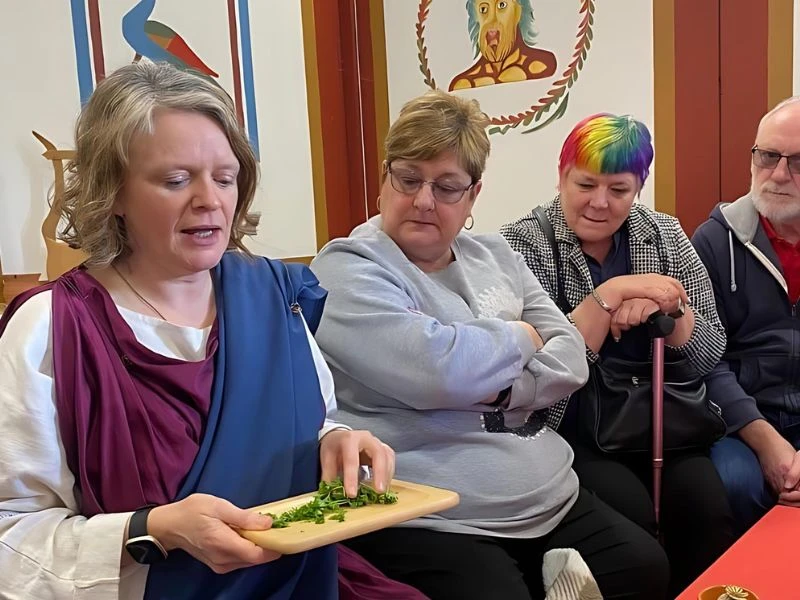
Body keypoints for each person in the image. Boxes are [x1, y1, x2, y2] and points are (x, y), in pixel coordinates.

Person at [0, 61, 402, 600]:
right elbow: (12, 540)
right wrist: (152, 531)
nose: (210, 200)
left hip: (306, 582)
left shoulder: (274, 297)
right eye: (175, 180)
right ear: (112, 191)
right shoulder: (51, 329)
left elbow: (311, 421)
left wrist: (335, 443)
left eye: (225, 177)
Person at [310, 90, 670, 600]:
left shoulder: (496, 254)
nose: (423, 200)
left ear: (473, 196)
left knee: (644, 568)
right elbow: (438, 371)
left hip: (546, 492)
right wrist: (521, 335)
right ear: (384, 180)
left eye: (448, 187)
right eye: (408, 178)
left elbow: (570, 357)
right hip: (428, 512)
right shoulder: (345, 267)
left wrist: (495, 387)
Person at [501, 113, 736, 594]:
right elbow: (533, 368)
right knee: (627, 513)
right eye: (585, 184)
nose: (600, 203)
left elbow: (710, 351)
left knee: (708, 507)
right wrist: (609, 296)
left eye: (620, 189)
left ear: (639, 187)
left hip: (664, 424)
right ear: (561, 174)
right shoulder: (521, 245)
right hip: (571, 430)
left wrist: (669, 313)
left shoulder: (666, 235)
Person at [692, 96, 800, 534]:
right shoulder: (714, 241)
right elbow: (705, 359)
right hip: (738, 423)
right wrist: (767, 443)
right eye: (768, 156)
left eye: (798, 162)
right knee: (736, 485)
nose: (778, 174)